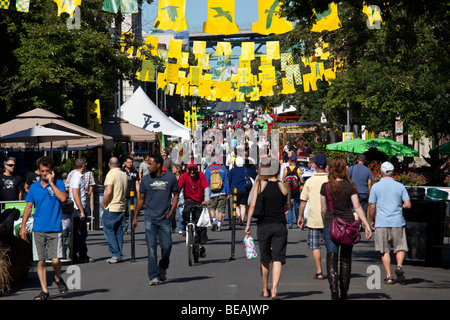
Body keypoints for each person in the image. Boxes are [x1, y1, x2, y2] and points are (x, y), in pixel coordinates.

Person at [320, 157, 372, 300]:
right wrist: (366, 225)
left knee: (331, 257)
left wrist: (324, 222)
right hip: (348, 224)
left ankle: (334, 291)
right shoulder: (350, 186)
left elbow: (323, 209)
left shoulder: (325, 186)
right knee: (346, 258)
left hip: (331, 224)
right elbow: (357, 206)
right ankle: (344, 291)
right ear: (344, 169)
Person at [19, 156, 68, 300]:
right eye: (42, 171)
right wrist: (23, 227)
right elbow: (28, 207)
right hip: (38, 228)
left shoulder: (58, 183)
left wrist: (52, 184)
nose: (45, 174)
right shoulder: (34, 187)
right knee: (40, 261)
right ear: (38, 171)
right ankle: (45, 291)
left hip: (54, 227)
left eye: (47, 171)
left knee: (55, 260)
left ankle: (58, 278)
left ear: (52, 171)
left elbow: (63, 198)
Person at [245, 156, 290, 300]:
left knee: (265, 259)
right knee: (277, 258)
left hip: (263, 225)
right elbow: (287, 206)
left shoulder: (260, 185)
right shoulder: (284, 186)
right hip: (280, 225)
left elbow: (252, 206)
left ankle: (265, 289)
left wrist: (247, 224)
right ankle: (275, 291)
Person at [133, 154, 179, 286]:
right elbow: (141, 199)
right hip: (150, 218)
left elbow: (176, 194)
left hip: (165, 218)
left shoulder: (170, 178)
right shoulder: (146, 179)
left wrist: (171, 211)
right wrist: (135, 217)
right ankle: (153, 276)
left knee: (167, 246)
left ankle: (163, 266)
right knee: (151, 248)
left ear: (158, 165)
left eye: (150, 164)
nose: (147, 167)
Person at [369, 161, 411, 285]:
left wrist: (372, 220)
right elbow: (408, 204)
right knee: (400, 247)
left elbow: (372, 207)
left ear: (381, 172)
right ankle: (399, 266)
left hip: (382, 222)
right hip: (397, 221)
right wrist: (400, 205)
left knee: (384, 250)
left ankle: (389, 276)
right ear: (393, 172)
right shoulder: (400, 186)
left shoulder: (376, 187)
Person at [297, 154, 328, 280]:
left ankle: (319, 271)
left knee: (316, 246)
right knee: (331, 246)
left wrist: (300, 216)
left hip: (313, 219)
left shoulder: (310, 181)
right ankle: (332, 269)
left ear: (315, 166)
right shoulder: (330, 180)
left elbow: (303, 201)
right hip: (329, 219)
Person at [178, 161, 210, 258]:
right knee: (185, 212)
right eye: (190, 170)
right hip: (189, 200)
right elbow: (178, 188)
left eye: (194, 169)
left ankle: (202, 245)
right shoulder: (184, 176)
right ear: (188, 170)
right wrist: (176, 201)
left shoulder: (201, 175)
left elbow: (206, 188)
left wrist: (206, 200)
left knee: (201, 224)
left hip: (200, 201)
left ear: (197, 169)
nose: (192, 172)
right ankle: (185, 227)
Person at [102, 157, 128, 264]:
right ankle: (119, 253)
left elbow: (108, 192)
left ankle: (115, 253)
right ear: (119, 164)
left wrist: (103, 204)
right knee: (118, 231)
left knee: (109, 230)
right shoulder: (124, 174)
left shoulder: (111, 174)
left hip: (112, 206)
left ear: (109, 165)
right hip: (121, 205)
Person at [68, 158, 90, 263]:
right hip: (78, 209)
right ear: (83, 166)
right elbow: (75, 194)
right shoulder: (76, 177)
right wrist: (81, 210)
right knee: (78, 233)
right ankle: (76, 255)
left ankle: (82, 254)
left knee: (82, 233)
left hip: (79, 207)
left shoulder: (76, 176)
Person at [205, 158, 230, 232]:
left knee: (212, 208)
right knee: (220, 209)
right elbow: (226, 182)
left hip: (212, 192)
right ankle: (219, 225)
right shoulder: (223, 170)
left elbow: (206, 182)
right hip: (222, 192)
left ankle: (213, 220)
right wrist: (227, 193)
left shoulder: (208, 170)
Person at [348, 154, 373, 219]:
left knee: (354, 209)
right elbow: (369, 183)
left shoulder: (352, 168)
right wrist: (370, 194)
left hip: (354, 192)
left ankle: (356, 224)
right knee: (363, 209)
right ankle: (362, 225)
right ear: (364, 161)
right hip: (364, 193)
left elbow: (347, 179)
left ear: (357, 160)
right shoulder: (368, 170)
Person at [282, 154, 303, 228]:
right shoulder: (298, 169)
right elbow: (301, 180)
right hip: (296, 190)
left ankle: (290, 224)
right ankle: (298, 221)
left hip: (288, 190)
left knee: (289, 206)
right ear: (296, 160)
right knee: (297, 206)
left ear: (290, 160)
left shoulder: (286, 169)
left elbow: (283, 180)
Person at [229, 156, 251, 226]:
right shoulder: (246, 170)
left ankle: (239, 216)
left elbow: (229, 180)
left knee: (236, 204)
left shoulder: (232, 171)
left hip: (235, 189)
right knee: (243, 205)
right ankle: (242, 220)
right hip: (244, 188)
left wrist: (229, 190)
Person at [122, 156, 140, 235]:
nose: (129, 164)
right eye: (128, 162)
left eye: (131, 162)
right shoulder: (121, 172)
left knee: (131, 213)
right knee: (122, 212)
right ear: (125, 163)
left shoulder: (135, 172)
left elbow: (137, 183)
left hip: (132, 196)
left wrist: (139, 194)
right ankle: (123, 227)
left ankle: (129, 228)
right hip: (123, 195)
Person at [172, 164, 185, 234]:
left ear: (178, 169)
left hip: (181, 197)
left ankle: (180, 228)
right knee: (172, 213)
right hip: (172, 196)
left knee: (181, 213)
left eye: (174, 168)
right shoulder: (171, 177)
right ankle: (173, 226)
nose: (172, 169)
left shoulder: (182, 176)